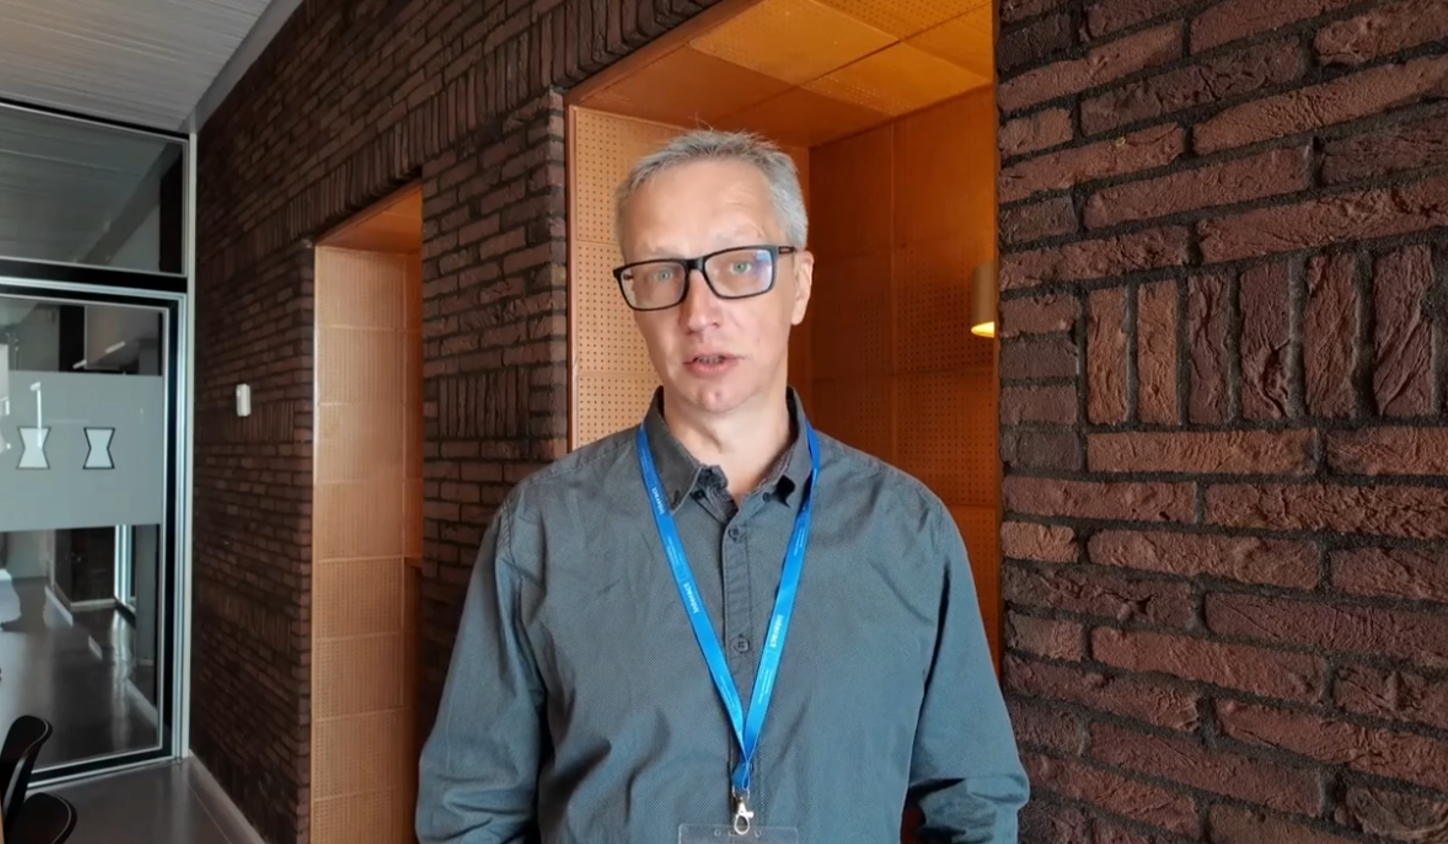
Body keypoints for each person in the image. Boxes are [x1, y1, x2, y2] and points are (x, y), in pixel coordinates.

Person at [417, 129, 1029, 843]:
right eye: (661, 272)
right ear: (635, 302)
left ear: (799, 283)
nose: (698, 309)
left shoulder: (910, 533)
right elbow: (470, 814)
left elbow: (976, 806)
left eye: (740, 264)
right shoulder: (541, 530)